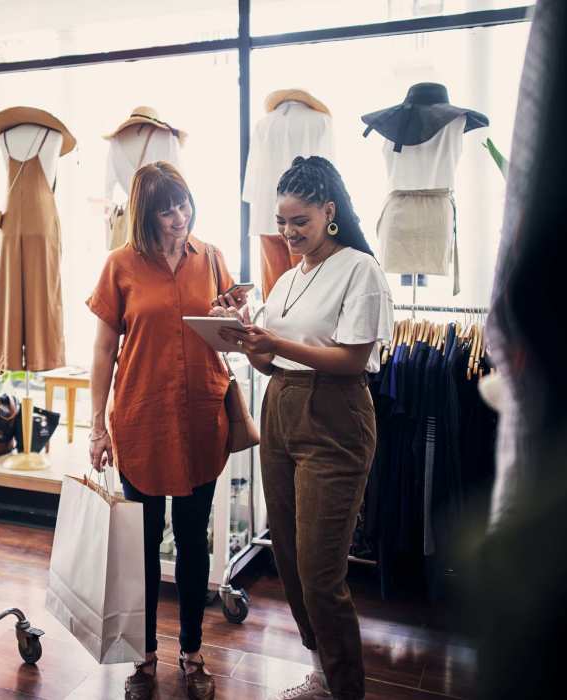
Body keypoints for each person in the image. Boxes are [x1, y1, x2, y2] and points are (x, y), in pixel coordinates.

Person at [217, 156, 393, 700]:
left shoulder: (359, 269)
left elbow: (353, 359)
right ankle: (321, 671)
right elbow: (271, 364)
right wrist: (244, 334)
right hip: (280, 410)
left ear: (329, 212)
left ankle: (346, 690)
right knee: (289, 557)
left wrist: (277, 345)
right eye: (283, 222)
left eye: (301, 221)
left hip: (335, 417)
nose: (289, 233)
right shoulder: (290, 278)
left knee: (320, 570)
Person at [87, 161, 241, 700]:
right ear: (145, 215)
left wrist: (233, 317)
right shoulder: (120, 266)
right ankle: (145, 655)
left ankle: (193, 651)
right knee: (144, 543)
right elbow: (105, 351)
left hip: (201, 416)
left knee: (194, 539)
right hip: (142, 418)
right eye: (165, 210)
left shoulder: (213, 257)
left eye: (183, 204)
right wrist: (96, 428)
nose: (178, 218)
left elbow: (229, 335)